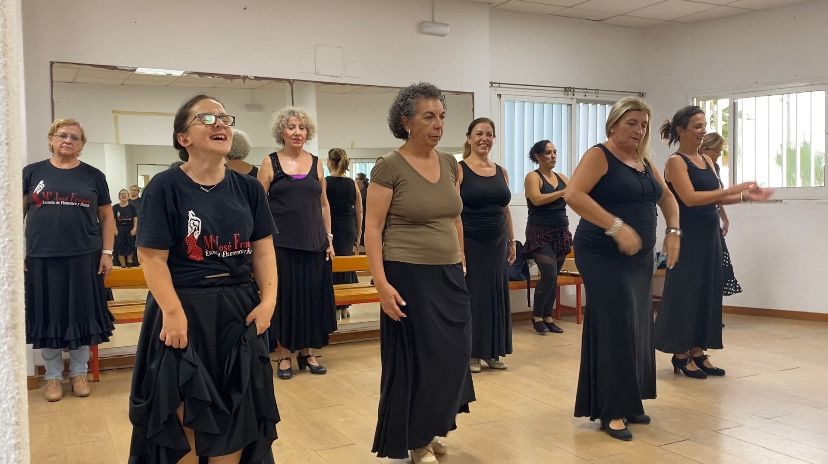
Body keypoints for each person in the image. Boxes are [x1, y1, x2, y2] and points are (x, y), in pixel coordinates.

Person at [128, 95, 280, 463]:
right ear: (183, 138)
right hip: (183, 311)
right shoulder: (164, 186)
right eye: (207, 118)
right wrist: (172, 312)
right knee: (185, 415)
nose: (220, 123)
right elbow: (151, 257)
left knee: (236, 414)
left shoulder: (249, 188)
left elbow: (263, 252)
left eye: (224, 117)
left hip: (238, 312)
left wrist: (269, 301)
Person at [366, 82, 475, 464]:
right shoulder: (389, 166)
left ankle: (431, 426)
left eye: (441, 116)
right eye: (428, 117)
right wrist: (381, 284)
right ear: (406, 122)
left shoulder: (450, 164)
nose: (438, 124)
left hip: (449, 273)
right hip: (408, 274)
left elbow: (454, 215)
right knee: (421, 360)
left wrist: (461, 257)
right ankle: (417, 439)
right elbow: (373, 229)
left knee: (454, 355)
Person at [567, 97, 680, 441]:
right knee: (616, 324)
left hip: (638, 257)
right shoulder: (599, 155)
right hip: (602, 253)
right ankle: (611, 409)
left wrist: (673, 232)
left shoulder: (644, 161)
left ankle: (630, 400)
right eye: (631, 123)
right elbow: (573, 195)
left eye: (643, 124)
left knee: (637, 324)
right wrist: (616, 226)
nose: (638, 130)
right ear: (613, 124)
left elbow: (667, 197)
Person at [655, 107, 771, 379]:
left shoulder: (706, 160)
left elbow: (717, 198)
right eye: (697, 126)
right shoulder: (676, 162)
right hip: (686, 237)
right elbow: (690, 198)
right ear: (681, 130)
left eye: (704, 125)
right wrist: (731, 189)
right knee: (685, 293)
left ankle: (697, 350)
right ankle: (680, 354)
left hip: (710, 236)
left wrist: (745, 196)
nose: (703, 130)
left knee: (707, 292)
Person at [23, 118, 116, 402]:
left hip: (84, 258)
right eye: (62, 135)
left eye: (75, 137)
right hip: (41, 257)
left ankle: (78, 372)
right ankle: (52, 376)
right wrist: (14, 254)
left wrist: (107, 253)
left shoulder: (94, 176)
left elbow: (107, 217)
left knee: (82, 316)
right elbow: (14, 213)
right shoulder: (32, 172)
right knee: (48, 317)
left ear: (82, 144)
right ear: (51, 139)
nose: (68, 140)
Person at [258, 106, 336, 380]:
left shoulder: (316, 162)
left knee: (311, 300)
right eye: (291, 127)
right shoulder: (270, 162)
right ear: (282, 131)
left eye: (302, 128)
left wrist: (329, 238)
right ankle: (284, 354)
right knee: (285, 301)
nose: (297, 132)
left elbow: (323, 204)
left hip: (314, 244)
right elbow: (259, 206)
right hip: (281, 246)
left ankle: (307, 352)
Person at [459, 117, 515, 373]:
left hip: (498, 241)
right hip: (471, 240)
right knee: (475, 296)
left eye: (489, 134)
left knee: (496, 294)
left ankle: (492, 351)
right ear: (470, 138)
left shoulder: (501, 171)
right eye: (479, 133)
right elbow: (453, 212)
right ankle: (472, 353)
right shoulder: (459, 169)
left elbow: (505, 209)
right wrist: (458, 249)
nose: (484, 138)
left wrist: (512, 240)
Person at [523, 140, 571, 335]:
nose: (553, 156)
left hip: (561, 231)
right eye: (548, 153)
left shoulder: (562, 177)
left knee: (554, 277)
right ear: (538, 156)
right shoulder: (533, 177)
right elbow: (536, 199)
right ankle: (537, 317)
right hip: (539, 232)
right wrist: (562, 192)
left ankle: (548, 316)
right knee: (549, 275)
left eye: (555, 152)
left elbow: (573, 195)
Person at [699, 132, 742, 297]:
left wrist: (725, 219)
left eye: (720, 151)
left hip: (713, 222)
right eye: (716, 151)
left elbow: (718, 196)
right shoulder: (694, 166)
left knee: (719, 266)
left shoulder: (715, 167)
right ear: (705, 148)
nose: (718, 155)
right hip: (697, 223)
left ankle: (713, 307)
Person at [325, 148, 363, 320]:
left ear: (330, 161)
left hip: (331, 227)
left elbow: (320, 208)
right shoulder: (352, 183)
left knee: (331, 264)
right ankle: (345, 306)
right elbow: (359, 211)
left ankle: (334, 304)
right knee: (346, 263)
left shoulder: (325, 182)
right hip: (348, 227)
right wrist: (359, 233)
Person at [112, 188, 138, 268]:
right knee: (119, 248)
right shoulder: (115, 207)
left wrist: (134, 229)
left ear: (128, 196)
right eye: (121, 194)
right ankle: (123, 266)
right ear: (119, 196)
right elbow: (113, 219)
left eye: (125, 194)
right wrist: (114, 229)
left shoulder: (132, 207)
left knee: (130, 246)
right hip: (119, 230)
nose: (123, 195)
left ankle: (129, 262)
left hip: (130, 230)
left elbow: (135, 219)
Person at [355, 172, 369, 251]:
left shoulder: (365, 192)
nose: (355, 181)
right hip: (363, 216)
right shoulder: (361, 191)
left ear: (361, 181)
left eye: (356, 179)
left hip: (365, 217)